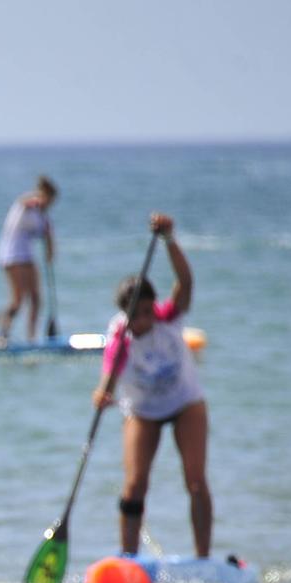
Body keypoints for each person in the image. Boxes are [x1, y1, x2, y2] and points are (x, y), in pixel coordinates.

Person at [93, 213, 213, 558]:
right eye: (137, 314)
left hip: (186, 402)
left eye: (148, 310)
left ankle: (202, 557)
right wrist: (102, 394)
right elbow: (109, 377)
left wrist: (169, 241)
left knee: (195, 480)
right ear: (124, 313)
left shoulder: (168, 317)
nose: (145, 319)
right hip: (143, 411)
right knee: (134, 484)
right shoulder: (120, 337)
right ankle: (128, 557)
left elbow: (186, 282)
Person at [0, 175, 57, 347]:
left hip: (27, 255)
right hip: (12, 255)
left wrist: (51, 250)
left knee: (36, 299)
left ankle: (32, 338)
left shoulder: (42, 215)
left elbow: (47, 233)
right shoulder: (27, 205)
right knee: (18, 300)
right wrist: (39, 199)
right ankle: (2, 334)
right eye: (48, 200)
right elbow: (26, 202)